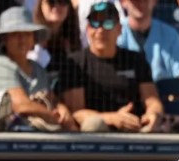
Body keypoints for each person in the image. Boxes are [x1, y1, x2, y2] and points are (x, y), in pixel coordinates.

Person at [58, 1, 164, 132]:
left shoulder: (135, 59)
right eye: (95, 23)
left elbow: (152, 100)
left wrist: (153, 114)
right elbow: (76, 112)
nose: (100, 30)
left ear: (119, 29)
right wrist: (113, 118)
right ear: (87, 29)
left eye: (108, 23)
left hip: (135, 129)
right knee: (93, 125)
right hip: (93, 137)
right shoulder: (75, 63)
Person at [0, 6, 78, 131]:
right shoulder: (0, 65)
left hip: (47, 138)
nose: (22, 39)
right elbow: (21, 105)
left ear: (33, 38)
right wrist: (54, 116)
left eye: (26, 33)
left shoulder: (37, 68)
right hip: (13, 141)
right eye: (15, 34)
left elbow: (51, 99)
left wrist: (62, 109)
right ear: (5, 39)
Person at [116, 0, 179, 82]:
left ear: (154, 1)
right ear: (123, 2)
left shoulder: (170, 34)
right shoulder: (114, 33)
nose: (141, 3)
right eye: (135, 1)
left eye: (145, 0)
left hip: (164, 93)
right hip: (125, 92)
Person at [30, 0, 83, 86]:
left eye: (62, 1)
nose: (56, 6)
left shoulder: (73, 40)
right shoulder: (31, 38)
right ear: (41, 5)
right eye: (51, 2)